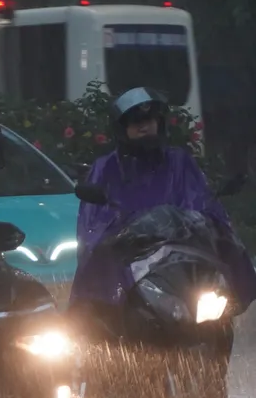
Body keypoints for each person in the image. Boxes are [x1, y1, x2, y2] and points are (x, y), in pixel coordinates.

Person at [71, 86, 256, 324]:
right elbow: (95, 222)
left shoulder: (179, 161)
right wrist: (120, 232)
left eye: (148, 119)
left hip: (182, 256)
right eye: (135, 121)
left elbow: (201, 201)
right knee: (98, 314)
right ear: (123, 128)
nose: (143, 126)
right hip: (131, 262)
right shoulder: (106, 167)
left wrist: (206, 220)